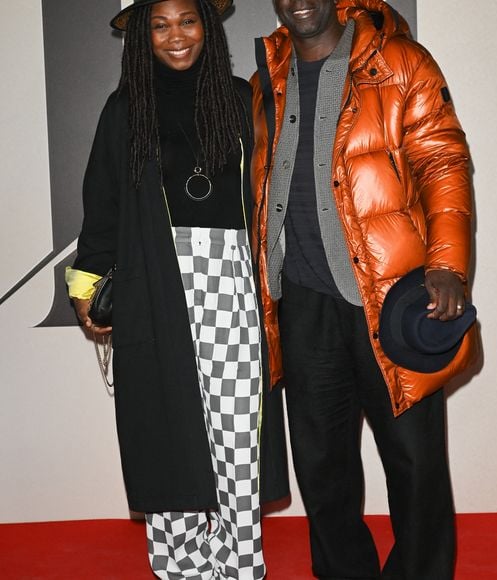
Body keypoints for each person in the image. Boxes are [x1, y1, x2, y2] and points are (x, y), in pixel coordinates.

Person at [251, 0, 478, 578]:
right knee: (322, 475)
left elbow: (443, 161)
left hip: (390, 297)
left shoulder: (399, 62)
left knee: (416, 466)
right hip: (302, 302)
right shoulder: (265, 78)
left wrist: (447, 262)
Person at [65, 1, 288, 578]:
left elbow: (273, 200)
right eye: (159, 25)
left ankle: (239, 564)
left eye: (187, 20)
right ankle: (182, 568)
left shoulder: (242, 101)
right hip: (155, 288)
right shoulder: (124, 111)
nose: (176, 36)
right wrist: (88, 291)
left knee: (237, 433)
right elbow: (102, 212)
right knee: (168, 430)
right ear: (142, 36)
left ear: (208, 28)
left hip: (233, 284)